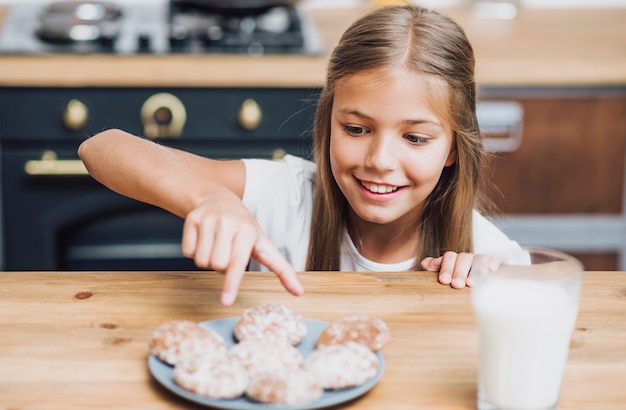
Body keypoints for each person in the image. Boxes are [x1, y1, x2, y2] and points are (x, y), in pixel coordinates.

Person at [78, 4, 519, 306]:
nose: (381, 160)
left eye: (416, 139)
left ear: (454, 148)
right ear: (328, 123)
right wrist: (209, 198)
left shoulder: (489, 255)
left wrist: (495, 291)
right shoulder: (285, 195)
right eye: (356, 129)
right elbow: (101, 148)